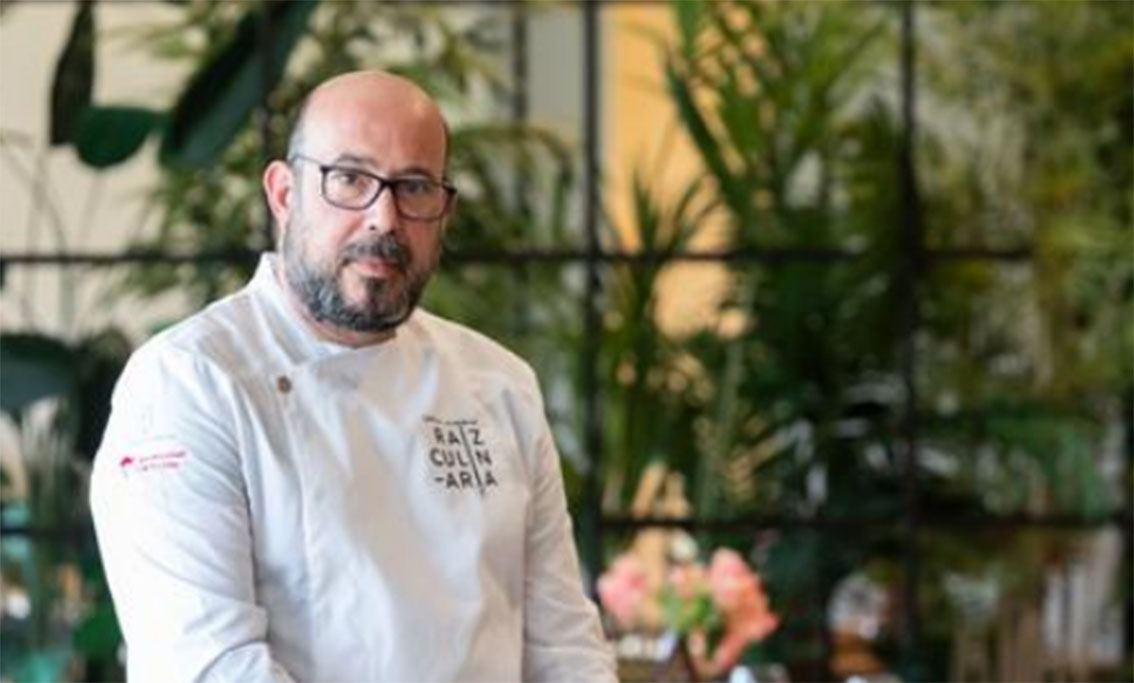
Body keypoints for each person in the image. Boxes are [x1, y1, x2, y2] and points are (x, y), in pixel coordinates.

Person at [90, 70, 616, 682]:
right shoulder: (189, 383)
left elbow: (564, 648)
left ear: (443, 210)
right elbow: (210, 666)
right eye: (349, 179)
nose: (383, 219)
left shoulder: (499, 383)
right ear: (284, 194)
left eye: (414, 186)